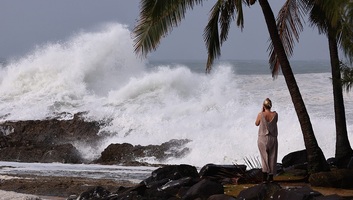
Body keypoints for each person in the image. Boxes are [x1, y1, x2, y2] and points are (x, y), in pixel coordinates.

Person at [255, 98, 278, 183]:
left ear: (264, 106)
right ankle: (271, 177)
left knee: (264, 157)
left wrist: (262, 111)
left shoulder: (261, 114)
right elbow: (275, 122)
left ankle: (264, 177)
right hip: (273, 137)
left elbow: (256, 123)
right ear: (271, 106)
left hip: (262, 138)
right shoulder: (275, 114)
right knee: (272, 157)